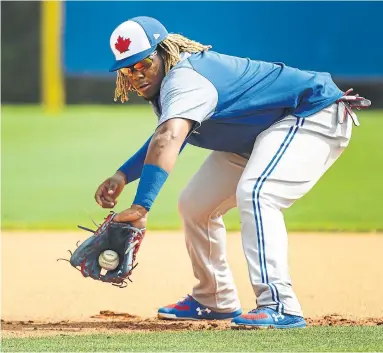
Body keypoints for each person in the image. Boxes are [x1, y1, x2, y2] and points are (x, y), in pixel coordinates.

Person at [94, 16, 370, 328]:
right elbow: (173, 135)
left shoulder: (186, 78)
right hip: (260, 133)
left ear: (165, 51)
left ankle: (279, 304)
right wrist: (122, 175)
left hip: (312, 111)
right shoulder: (170, 85)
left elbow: (169, 136)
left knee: (257, 193)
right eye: (127, 69)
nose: (136, 75)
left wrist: (142, 205)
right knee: (196, 205)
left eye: (143, 63)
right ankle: (214, 298)